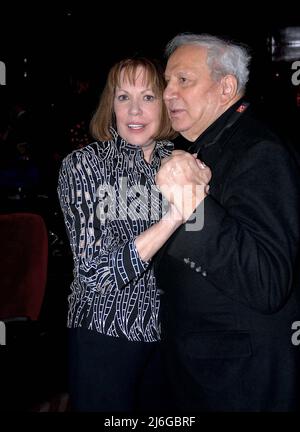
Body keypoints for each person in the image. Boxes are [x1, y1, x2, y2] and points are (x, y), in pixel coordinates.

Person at [154, 33, 300, 411]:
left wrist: (192, 202)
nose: (168, 93)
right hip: (199, 366)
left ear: (226, 87)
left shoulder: (259, 150)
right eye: (167, 81)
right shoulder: (203, 145)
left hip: (237, 379)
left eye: (183, 80)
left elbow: (267, 281)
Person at [57, 57, 208, 412]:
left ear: (166, 105)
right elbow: (94, 275)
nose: (135, 110)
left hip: (172, 338)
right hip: (105, 334)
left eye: (149, 97)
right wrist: (173, 218)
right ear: (111, 106)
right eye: (124, 97)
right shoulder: (84, 165)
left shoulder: (182, 160)